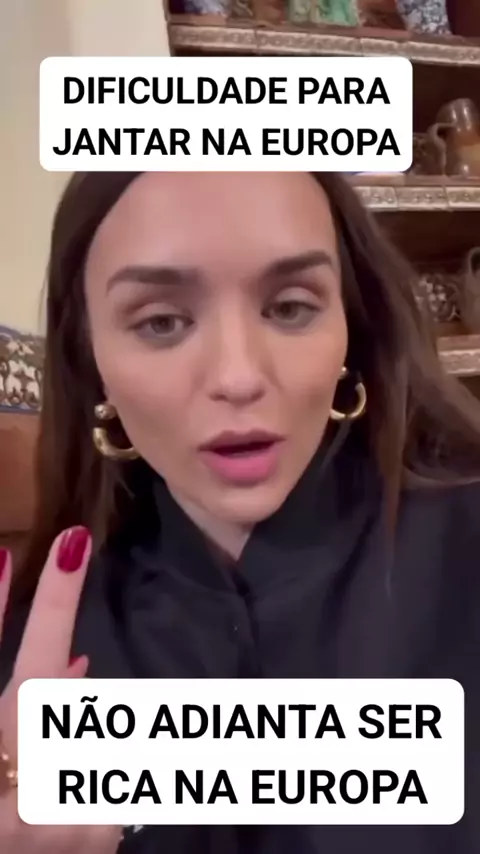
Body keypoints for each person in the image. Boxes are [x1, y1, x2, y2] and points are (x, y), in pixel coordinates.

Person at [0, 170, 479, 853]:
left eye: (289, 308)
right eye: (162, 322)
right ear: (90, 356)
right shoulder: (37, 660)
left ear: (352, 326)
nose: (238, 376)